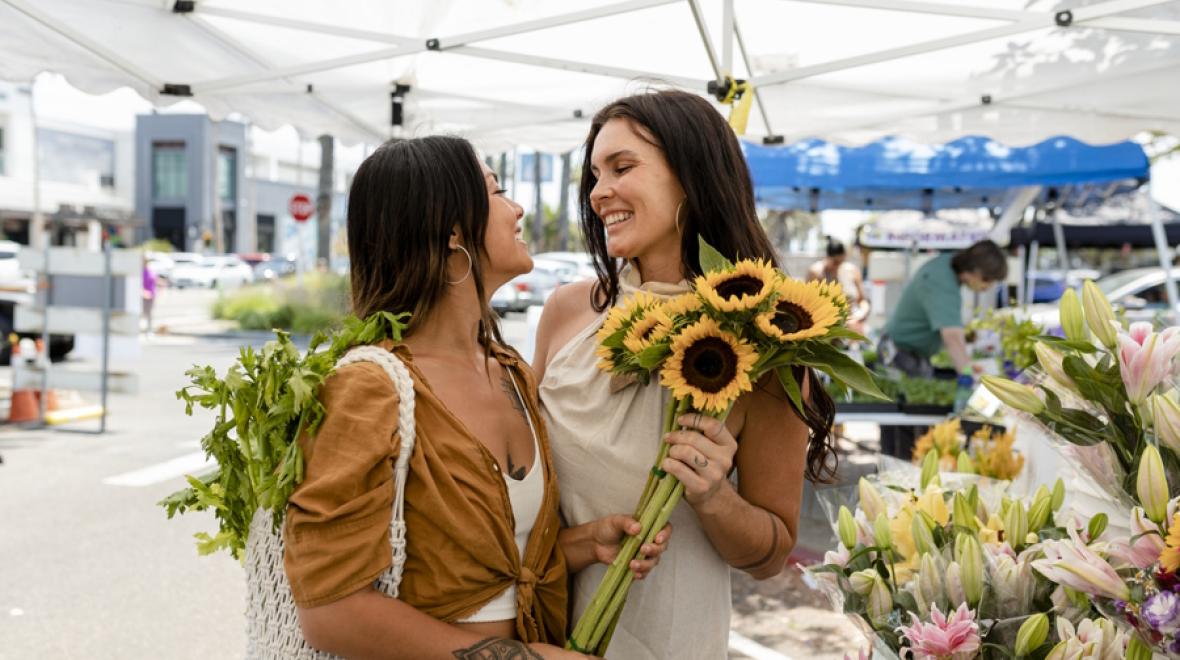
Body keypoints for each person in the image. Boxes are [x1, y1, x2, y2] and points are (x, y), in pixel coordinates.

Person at [283, 136, 669, 659]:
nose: (518, 207)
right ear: (453, 230)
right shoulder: (368, 387)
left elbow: (480, 560)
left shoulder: (511, 372)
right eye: (498, 191)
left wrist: (581, 545)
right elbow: (330, 611)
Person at [533, 90, 837, 659]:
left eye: (623, 168)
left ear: (693, 177)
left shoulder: (763, 346)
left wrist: (713, 495)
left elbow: (771, 553)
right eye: (595, 174)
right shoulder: (566, 313)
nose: (599, 192)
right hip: (538, 634)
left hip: (669, 640)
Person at [878, 239, 1008, 457]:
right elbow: (952, 336)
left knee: (905, 429)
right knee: (907, 431)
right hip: (900, 356)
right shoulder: (943, 283)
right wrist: (967, 374)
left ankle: (898, 472)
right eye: (987, 280)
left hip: (903, 351)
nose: (987, 287)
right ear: (973, 271)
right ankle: (898, 477)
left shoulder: (945, 265)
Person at [807, 237, 870, 334]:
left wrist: (862, 313)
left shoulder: (852, 270)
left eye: (841, 262)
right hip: (827, 326)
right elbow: (810, 303)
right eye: (835, 262)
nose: (837, 266)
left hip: (853, 323)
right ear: (827, 257)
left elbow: (862, 300)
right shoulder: (816, 272)